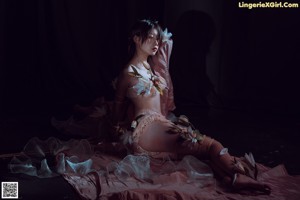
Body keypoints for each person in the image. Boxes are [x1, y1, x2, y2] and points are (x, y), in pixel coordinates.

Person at [111, 19, 271, 194]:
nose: (156, 43)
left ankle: (229, 178)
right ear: (136, 38)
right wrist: (123, 131)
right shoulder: (127, 73)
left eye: (157, 39)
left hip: (158, 123)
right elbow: (117, 113)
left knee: (201, 152)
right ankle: (237, 175)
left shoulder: (149, 68)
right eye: (150, 38)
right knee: (209, 145)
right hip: (145, 129)